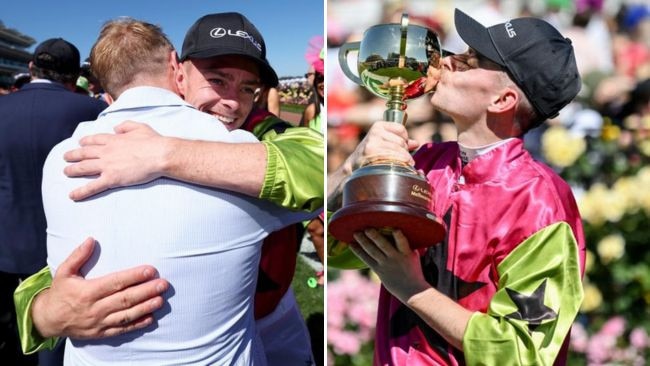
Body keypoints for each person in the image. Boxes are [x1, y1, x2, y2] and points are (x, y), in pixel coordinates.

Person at [15, 13, 323, 366]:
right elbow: (81, 256)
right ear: (179, 71)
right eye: (217, 80)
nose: (234, 103)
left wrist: (168, 154)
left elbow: (323, 165)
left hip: (269, 318)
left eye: (249, 89)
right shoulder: (107, 144)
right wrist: (41, 312)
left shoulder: (261, 134)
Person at [328, 9, 586, 365]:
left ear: (502, 100)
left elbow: (521, 352)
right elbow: (334, 247)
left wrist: (412, 289)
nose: (448, 62)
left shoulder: (540, 202)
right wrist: (353, 167)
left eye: (471, 60)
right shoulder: (424, 162)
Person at [0, 37, 108, 366]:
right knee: (54, 341)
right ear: (74, 74)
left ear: (31, 68)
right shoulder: (93, 110)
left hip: (4, 240)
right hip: (65, 245)